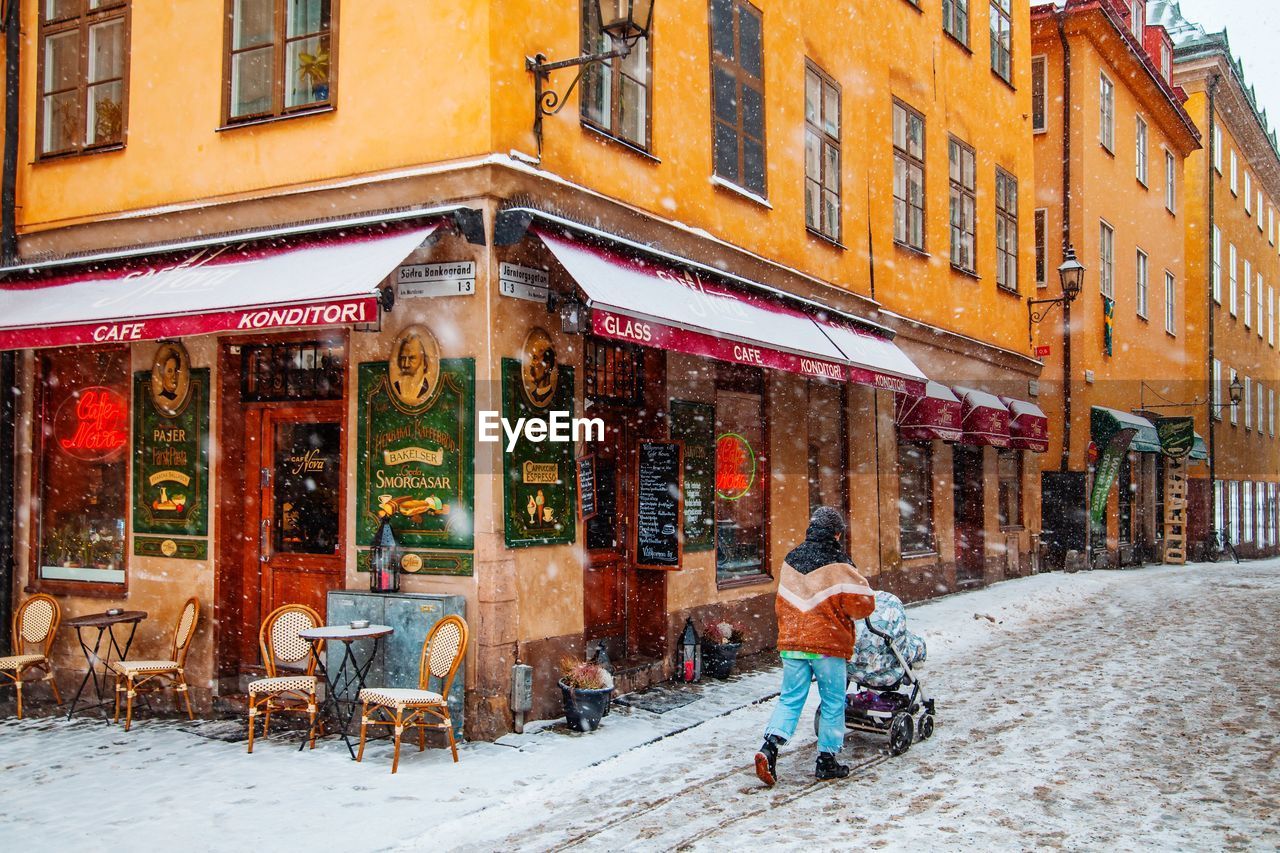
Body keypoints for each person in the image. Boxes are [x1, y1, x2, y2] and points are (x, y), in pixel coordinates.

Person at [754, 506, 875, 785]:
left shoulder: (791, 559)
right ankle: (827, 760)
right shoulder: (840, 563)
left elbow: (782, 603)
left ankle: (769, 748)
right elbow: (862, 604)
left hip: (793, 643)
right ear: (836, 533)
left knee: (790, 698)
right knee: (833, 701)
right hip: (827, 645)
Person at [392, 334, 429, 405]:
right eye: (403, 358)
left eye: (412, 358)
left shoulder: (426, 390)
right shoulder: (396, 387)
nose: (406, 365)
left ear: (424, 362)